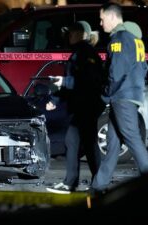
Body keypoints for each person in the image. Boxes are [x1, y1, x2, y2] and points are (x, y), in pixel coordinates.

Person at [90, 3, 148, 194]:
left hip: (121, 96)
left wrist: (105, 94)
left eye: (102, 19)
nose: (101, 24)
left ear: (111, 17)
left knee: (132, 139)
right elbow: (142, 68)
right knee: (113, 143)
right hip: (130, 95)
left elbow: (116, 73)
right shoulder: (136, 40)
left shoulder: (118, 39)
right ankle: (98, 185)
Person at [45, 21, 105, 194]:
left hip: (87, 105)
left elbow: (87, 81)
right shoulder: (79, 53)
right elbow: (72, 84)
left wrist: (63, 82)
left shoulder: (85, 53)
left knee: (77, 141)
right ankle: (94, 182)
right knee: (85, 143)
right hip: (83, 105)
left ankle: (75, 183)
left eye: (72, 32)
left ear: (82, 34)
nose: (69, 35)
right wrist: (55, 99)